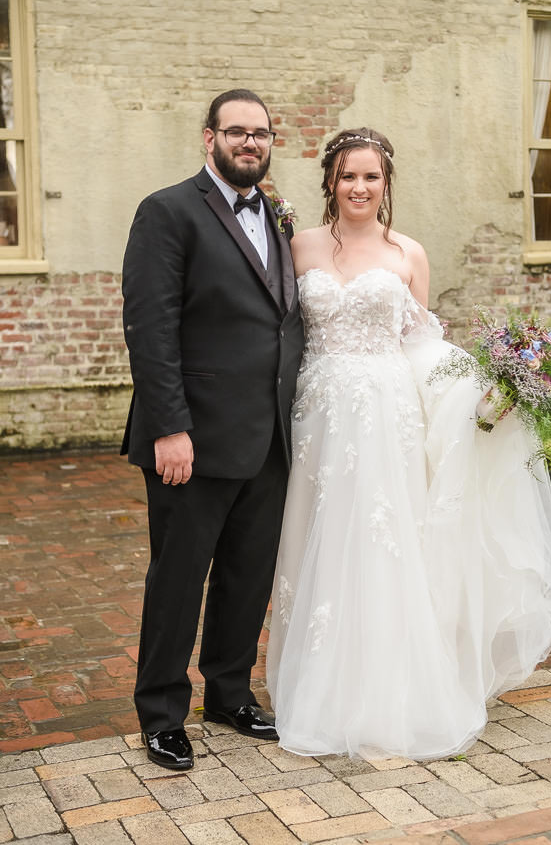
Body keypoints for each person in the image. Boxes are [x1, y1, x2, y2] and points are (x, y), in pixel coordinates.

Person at [266, 127, 551, 761]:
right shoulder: (299, 245)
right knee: (320, 538)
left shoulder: (409, 253)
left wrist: (480, 395)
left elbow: (423, 347)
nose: (359, 187)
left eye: (371, 176)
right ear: (330, 182)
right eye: (348, 175)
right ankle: (318, 684)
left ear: (386, 183)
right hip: (318, 415)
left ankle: (390, 693)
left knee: (384, 541)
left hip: (387, 412)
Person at [121, 89, 304, 771]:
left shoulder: (277, 216)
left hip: (267, 437)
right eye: (236, 132)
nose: (250, 142)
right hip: (191, 441)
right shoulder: (167, 211)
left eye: (261, 133)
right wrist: (170, 427)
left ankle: (229, 694)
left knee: (246, 576)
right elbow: (150, 327)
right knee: (178, 580)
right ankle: (162, 714)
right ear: (209, 138)